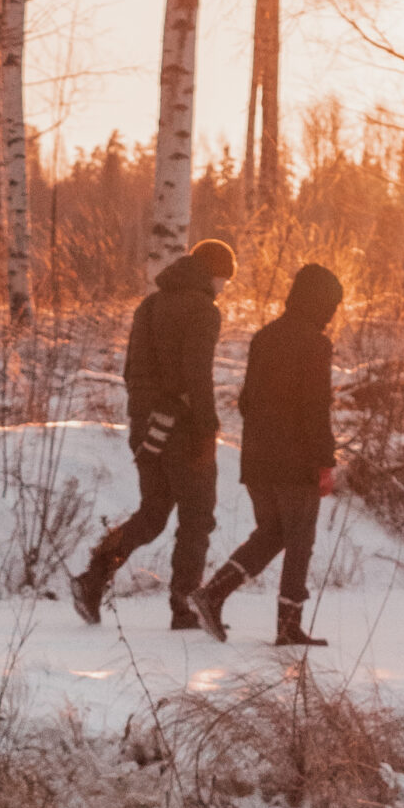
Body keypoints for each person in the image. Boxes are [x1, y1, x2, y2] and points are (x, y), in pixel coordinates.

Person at [71, 237, 235, 631]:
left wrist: (147, 417)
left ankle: (93, 577)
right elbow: (198, 376)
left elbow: (132, 372)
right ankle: (185, 607)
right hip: (184, 428)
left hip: (146, 427)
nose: (224, 287)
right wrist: (206, 426)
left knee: (153, 514)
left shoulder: (149, 305)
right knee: (197, 518)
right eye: (224, 279)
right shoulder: (204, 311)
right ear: (214, 274)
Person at [189, 261, 342, 648]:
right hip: (296, 461)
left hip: (257, 459)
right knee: (299, 540)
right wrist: (325, 460)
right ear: (320, 302)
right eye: (332, 304)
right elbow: (315, 406)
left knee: (273, 533)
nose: (333, 312)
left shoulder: (265, 337)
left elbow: (245, 401)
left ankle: (212, 595)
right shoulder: (314, 343)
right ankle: (288, 625)